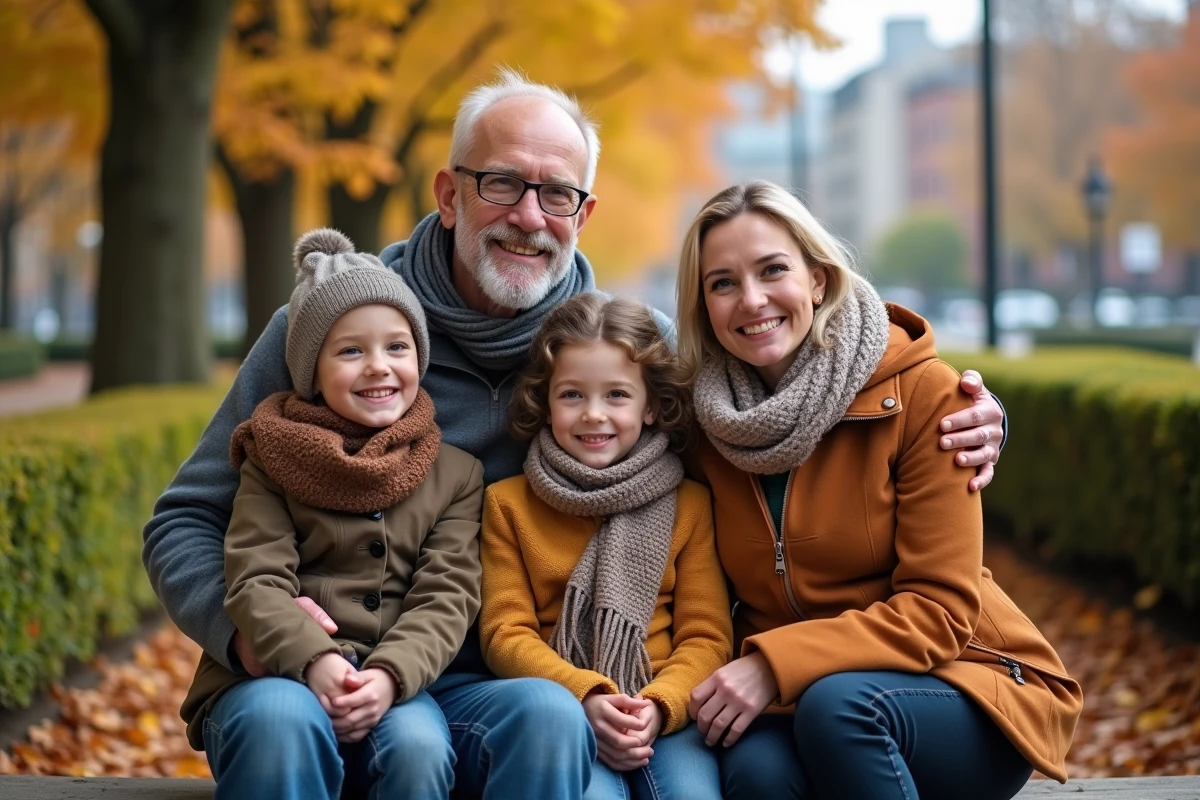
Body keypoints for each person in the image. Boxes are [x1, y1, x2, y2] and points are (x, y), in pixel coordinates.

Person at [143, 69, 1007, 798]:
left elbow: (783, 421)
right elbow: (185, 519)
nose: (530, 214)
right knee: (284, 721)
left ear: (583, 215)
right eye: (504, 183)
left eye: (558, 193)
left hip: (510, 690)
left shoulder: (630, 360)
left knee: (553, 722)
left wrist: (956, 412)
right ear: (450, 195)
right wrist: (245, 632)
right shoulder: (335, 331)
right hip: (306, 664)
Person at [674, 181, 1083, 800]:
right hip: (801, 698)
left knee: (841, 709)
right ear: (704, 305)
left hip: (966, 684)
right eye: (723, 282)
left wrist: (771, 663)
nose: (751, 299)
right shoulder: (706, 429)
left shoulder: (925, 396)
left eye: (772, 270)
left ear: (817, 279)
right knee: (753, 772)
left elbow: (941, 612)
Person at [179, 229, 484, 799]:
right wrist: (313, 658)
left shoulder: (455, 472)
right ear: (309, 373)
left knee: (418, 748)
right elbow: (255, 578)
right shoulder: (271, 453)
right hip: (276, 673)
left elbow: (449, 594)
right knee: (279, 721)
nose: (378, 367)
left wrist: (391, 676)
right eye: (350, 351)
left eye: (397, 347)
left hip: (396, 683)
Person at [480, 294, 731, 800]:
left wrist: (661, 706)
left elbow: (707, 636)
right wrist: (585, 695)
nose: (593, 415)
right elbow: (505, 633)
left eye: (617, 395)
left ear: (653, 405)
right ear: (545, 402)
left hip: (663, 712)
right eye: (572, 395)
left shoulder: (690, 504)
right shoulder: (507, 504)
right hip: (569, 708)